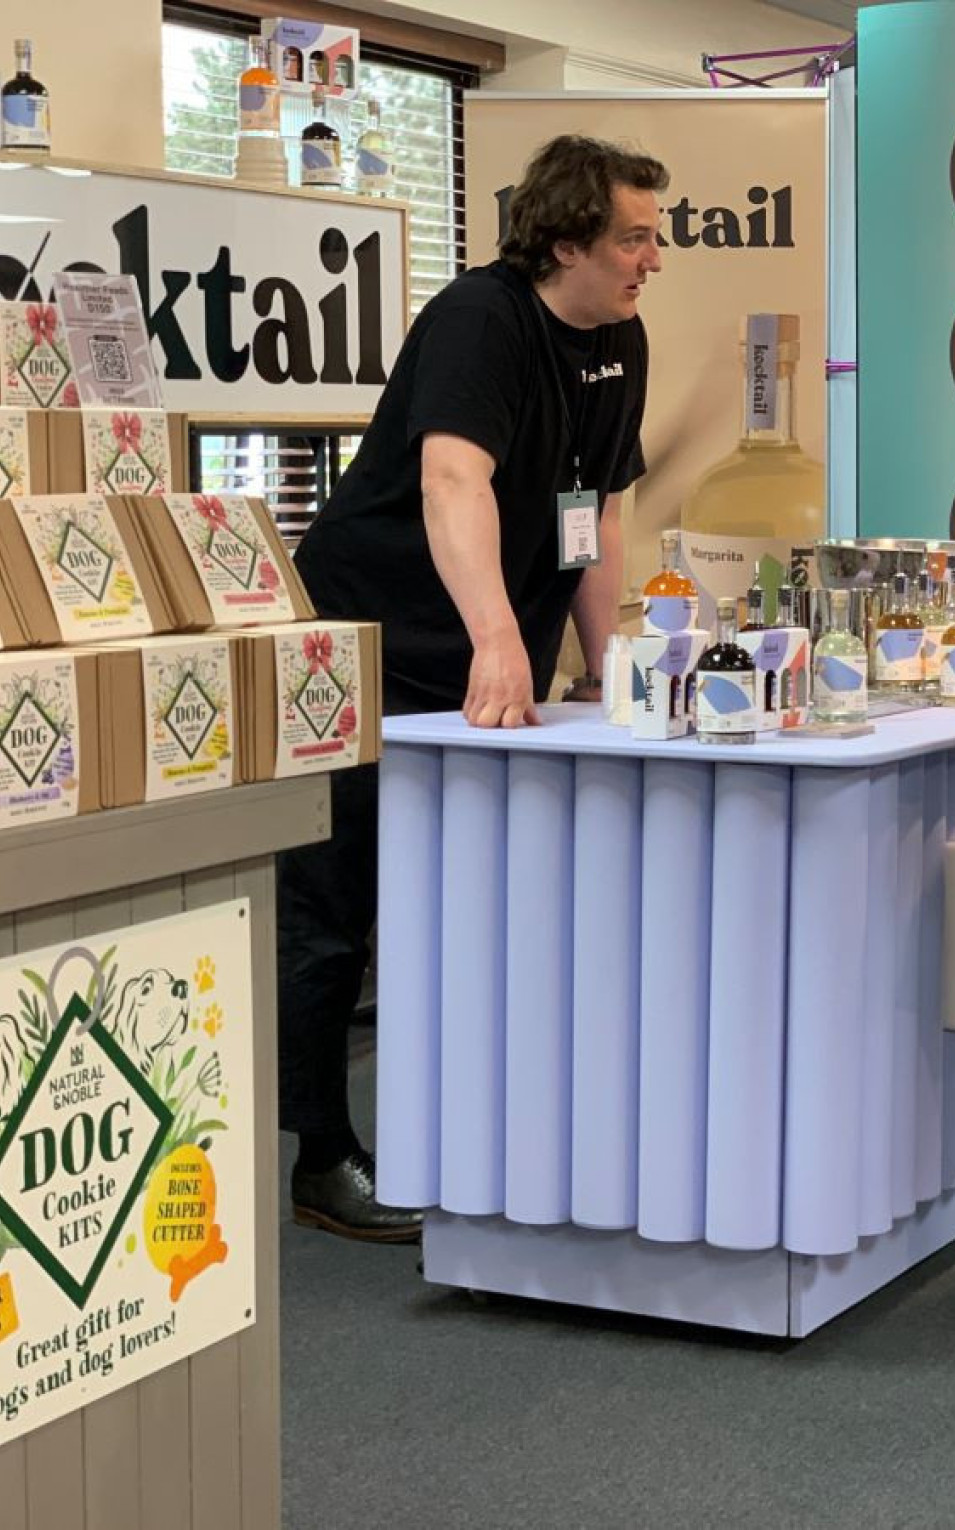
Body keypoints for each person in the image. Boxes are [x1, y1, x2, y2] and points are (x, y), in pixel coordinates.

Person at [278, 135, 668, 1240]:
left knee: (462, 902)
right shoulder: (478, 321)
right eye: (634, 237)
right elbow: (456, 478)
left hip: (482, 651)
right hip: (362, 639)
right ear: (564, 242)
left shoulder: (619, 337)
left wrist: (606, 660)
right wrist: (497, 635)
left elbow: (591, 514)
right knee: (333, 904)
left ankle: (452, 1132)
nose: (654, 258)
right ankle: (321, 1157)